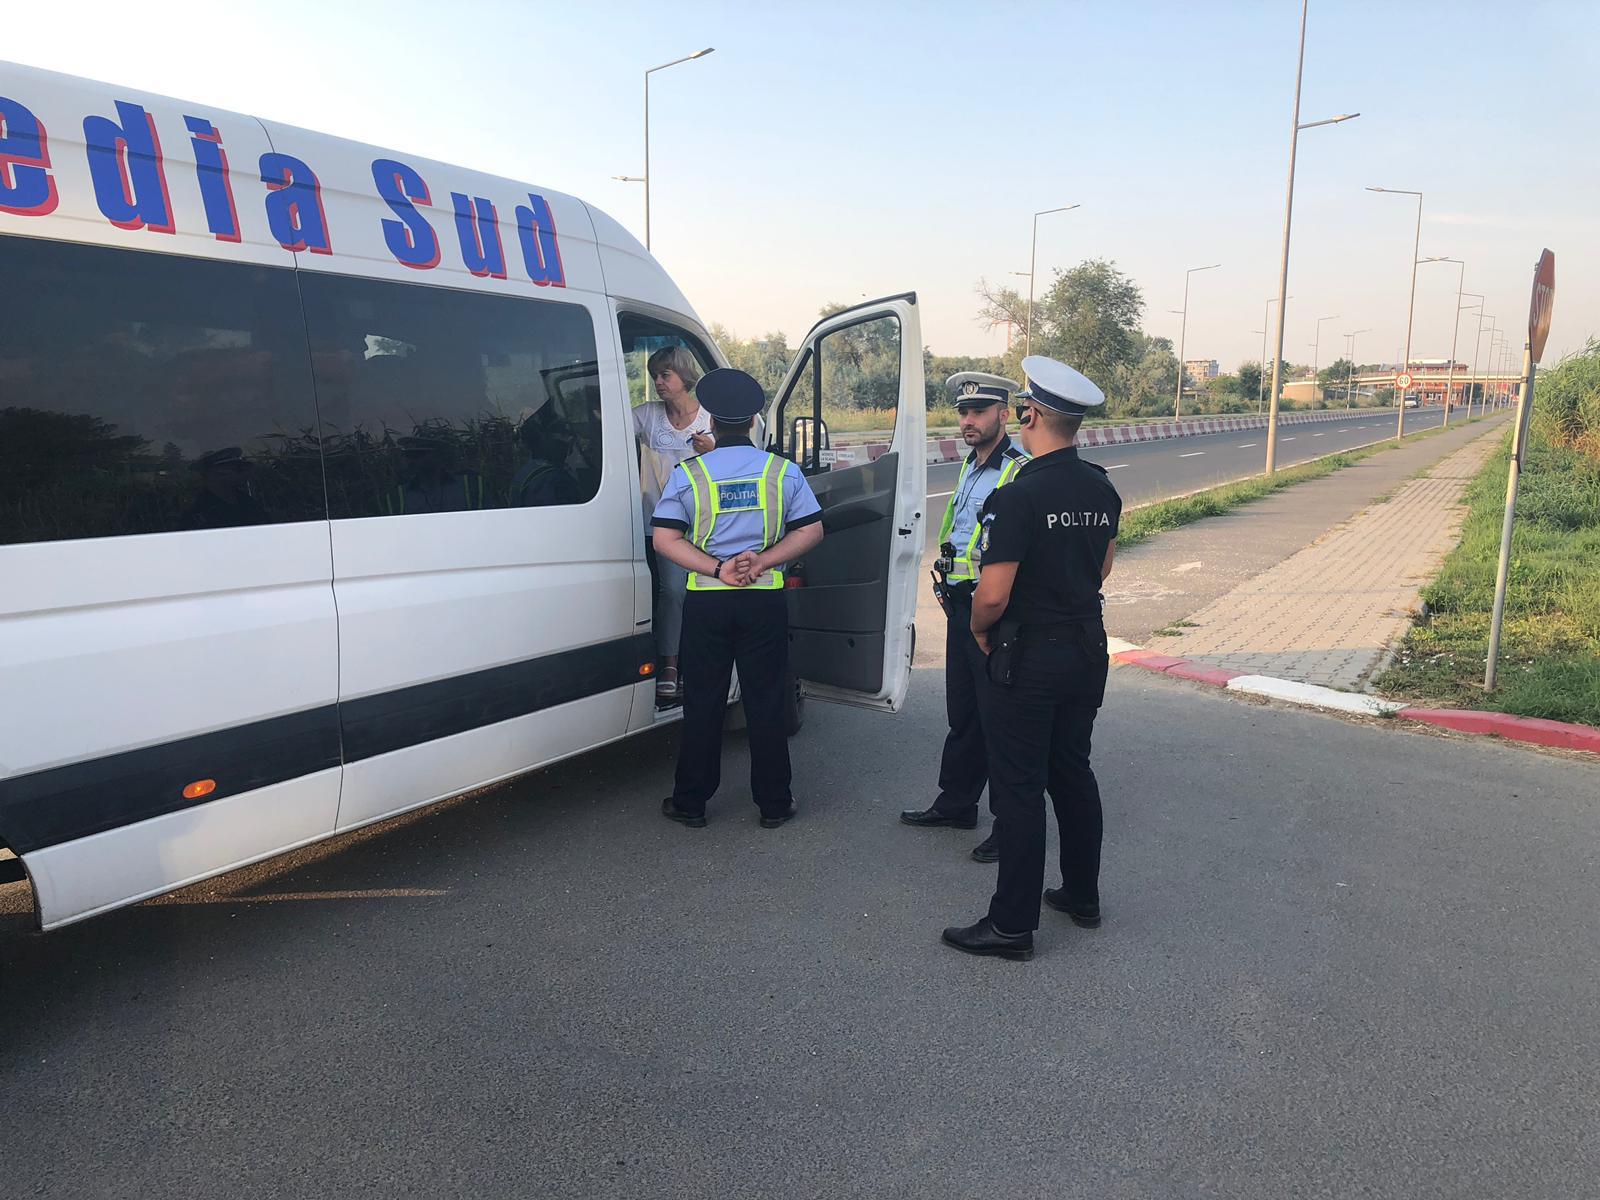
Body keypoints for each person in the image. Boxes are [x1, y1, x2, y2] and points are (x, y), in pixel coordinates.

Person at [941, 356, 1121, 961]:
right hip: (1086, 647)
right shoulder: (1100, 486)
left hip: (1030, 655)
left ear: (1031, 414)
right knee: (1073, 771)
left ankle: (1011, 926)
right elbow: (1102, 567)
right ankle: (1082, 896)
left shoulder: (1019, 495)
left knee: (1019, 788)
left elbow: (992, 594)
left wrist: (979, 630)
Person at [650, 367, 824, 829]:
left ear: (712, 421)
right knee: (765, 700)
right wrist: (763, 561)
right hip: (763, 601)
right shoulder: (781, 471)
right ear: (751, 422)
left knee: (703, 702)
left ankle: (691, 802)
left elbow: (664, 539)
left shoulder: (690, 474)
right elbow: (811, 530)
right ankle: (774, 803)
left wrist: (717, 568)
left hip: (707, 604)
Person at [900, 372, 1027, 862]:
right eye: (963, 413)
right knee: (964, 713)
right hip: (959, 605)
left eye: (979, 412)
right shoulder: (971, 467)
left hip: (994, 611)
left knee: (1000, 720)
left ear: (1004, 414)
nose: (968, 421)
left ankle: (1008, 827)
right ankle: (956, 803)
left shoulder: (1018, 471)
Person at [633, 346, 715, 703]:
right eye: (655, 375)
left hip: (705, 523)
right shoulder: (647, 415)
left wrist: (713, 451)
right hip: (664, 524)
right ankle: (669, 664)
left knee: (704, 593)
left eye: (665, 375)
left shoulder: (710, 418)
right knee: (673, 591)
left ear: (684, 376)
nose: (658, 382)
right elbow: (606, 426)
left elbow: (739, 458)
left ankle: (696, 663)